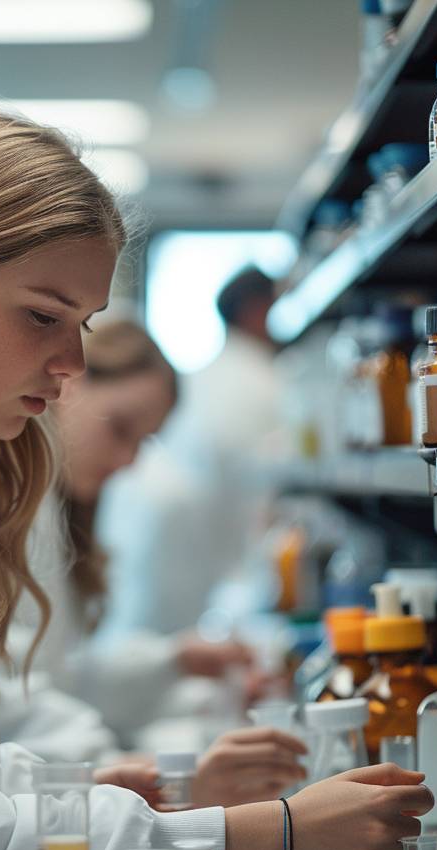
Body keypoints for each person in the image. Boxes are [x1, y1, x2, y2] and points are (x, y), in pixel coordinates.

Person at [0, 111, 431, 850]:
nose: (71, 362)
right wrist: (266, 833)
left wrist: (121, 792)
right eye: (43, 316)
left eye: (81, 324)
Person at [0, 319, 307, 809]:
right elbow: (8, 697)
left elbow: (62, 676)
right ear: (69, 384)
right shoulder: (8, 504)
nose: (128, 461)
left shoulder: (55, 510)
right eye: (121, 429)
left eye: (143, 442)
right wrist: (135, 768)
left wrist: (175, 662)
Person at [96, 266, 286, 652]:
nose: (127, 462)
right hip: (213, 572)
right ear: (258, 310)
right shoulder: (268, 385)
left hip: (189, 576)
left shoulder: (203, 377)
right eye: (119, 430)